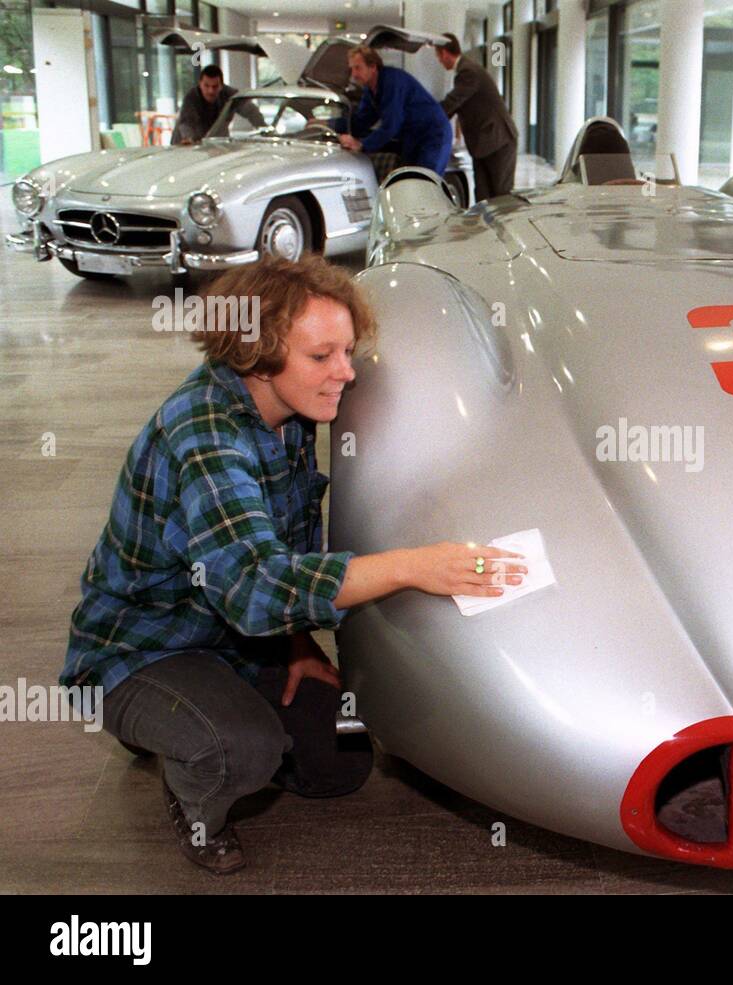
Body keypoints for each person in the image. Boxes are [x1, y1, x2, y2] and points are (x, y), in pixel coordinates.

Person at [62, 255, 526, 875]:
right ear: (257, 354)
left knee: (340, 760)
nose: (346, 373)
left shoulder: (289, 416)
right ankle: (191, 790)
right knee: (240, 752)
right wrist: (416, 566)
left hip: (231, 637)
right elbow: (254, 587)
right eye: (321, 357)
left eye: (347, 351)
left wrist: (299, 647)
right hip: (143, 648)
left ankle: (195, 722)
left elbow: (283, 552)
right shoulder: (206, 436)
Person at [339, 45, 452, 176]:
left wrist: (361, 144)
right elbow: (361, 121)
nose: (353, 75)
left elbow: (392, 124)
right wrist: (329, 125)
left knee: (426, 183)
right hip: (412, 137)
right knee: (408, 183)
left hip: (433, 135)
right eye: (351, 69)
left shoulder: (392, 82)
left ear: (373, 67)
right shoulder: (370, 90)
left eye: (358, 68)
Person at [433, 33, 518, 202]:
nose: (439, 61)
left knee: (501, 197)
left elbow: (452, 103)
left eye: (438, 56)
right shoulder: (466, 69)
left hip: (497, 141)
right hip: (485, 143)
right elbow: (454, 107)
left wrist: (427, 117)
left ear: (443, 53)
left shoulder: (468, 71)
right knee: (483, 197)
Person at [172, 65, 237, 145]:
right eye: (206, 86)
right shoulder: (192, 97)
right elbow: (187, 122)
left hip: (214, 142)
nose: (210, 91)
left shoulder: (230, 94)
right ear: (200, 84)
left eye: (215, 86)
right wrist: (188, 138)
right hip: (185, 141)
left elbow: (250, 110)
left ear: (221, 86)